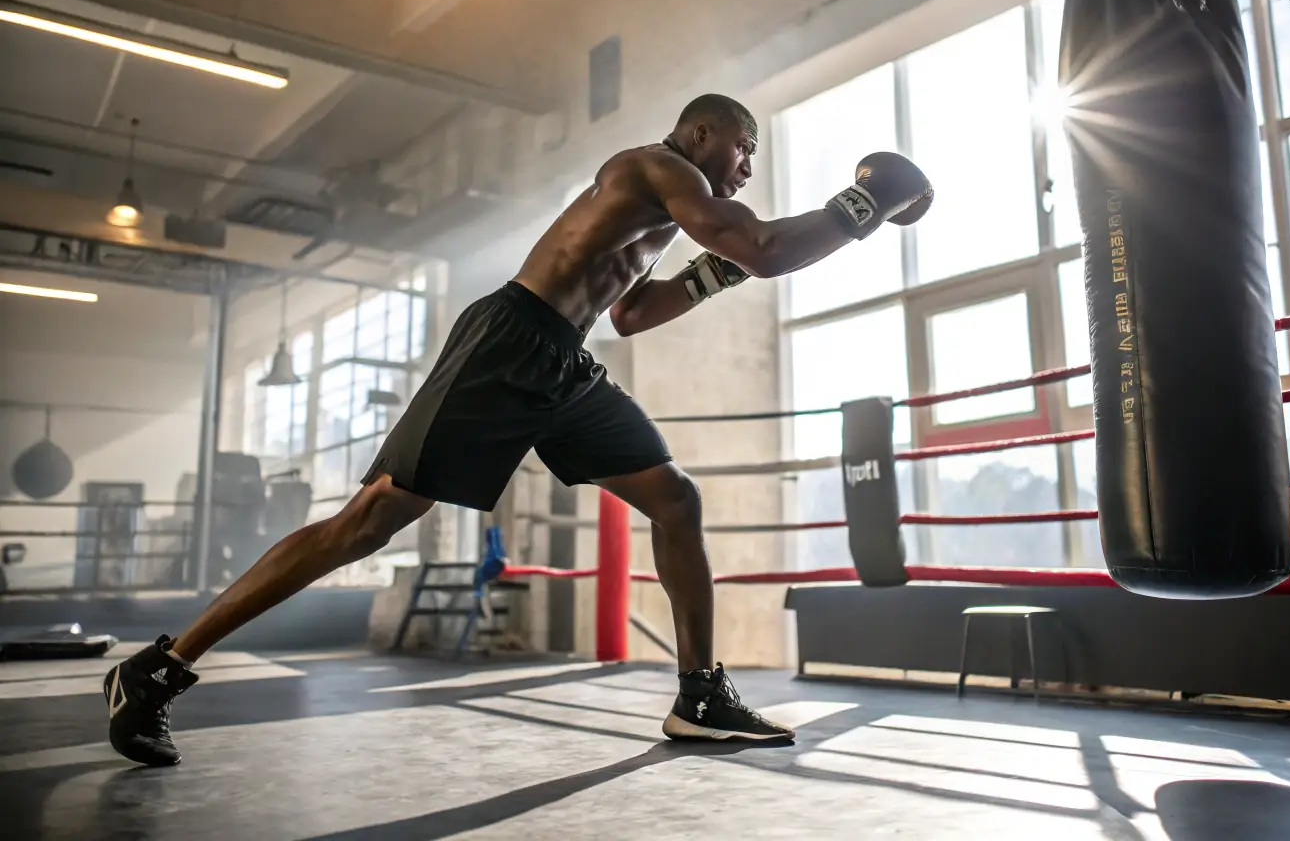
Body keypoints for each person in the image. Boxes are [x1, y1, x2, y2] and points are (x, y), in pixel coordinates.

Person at [102, 93, 934, 766]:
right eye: (744, 148)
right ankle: (158, 668)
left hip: (563, 363)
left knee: (674, 500)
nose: (747, 166)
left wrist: (714, 268)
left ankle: (699, 693)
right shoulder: (657, 165)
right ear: (702, 132)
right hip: (509, 341)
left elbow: (636, 312)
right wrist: (863, 202)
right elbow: (763, 248)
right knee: (372, 521)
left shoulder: (670, 206)